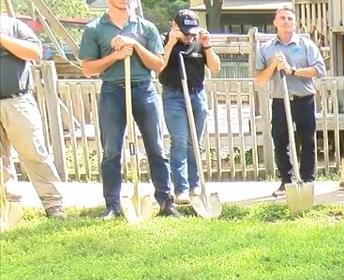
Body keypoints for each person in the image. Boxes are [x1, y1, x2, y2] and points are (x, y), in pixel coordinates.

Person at [79, 0, 177, 218]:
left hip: (144, 88)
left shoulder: (146, 27)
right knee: (111, 150)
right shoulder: (95, 28)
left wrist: (134, 45)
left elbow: (159, 65)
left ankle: (165, 202)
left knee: (157, 147)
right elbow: (87, 68)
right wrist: (115, 56)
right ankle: (112, 206)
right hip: (112, 91)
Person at [253, 4, 325, 198]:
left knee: (307, 141)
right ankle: (287, 181)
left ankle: (308, 180)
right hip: (280, 101)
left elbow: (319, 70)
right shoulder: (267, 49)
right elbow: (259, 79)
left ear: (294, 23)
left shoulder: (305, 45)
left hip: (304, 99)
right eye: (282, 18)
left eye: (290, 19)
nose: (286, 22)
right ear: (275, 22)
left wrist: (292, 70)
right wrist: (274, 65)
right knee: (280, 141)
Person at [0, 10, 66, 217]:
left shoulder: (14, 25)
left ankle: (53, 204)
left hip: (17, 101)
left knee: (34, 153)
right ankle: (8, 205)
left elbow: (35, 52)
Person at [159, 9, 220, 205]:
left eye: (191, 31)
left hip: (196, 94)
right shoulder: (163, 39)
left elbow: (216, 68)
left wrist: (207, 46)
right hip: (173, 95)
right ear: (174, 26)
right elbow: (158, 66)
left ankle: (195, 184)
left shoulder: (199, 41)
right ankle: (181, 189)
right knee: (179, 141)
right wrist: (170, 43)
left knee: (195, 142)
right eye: (184, 31)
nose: (188, 36)